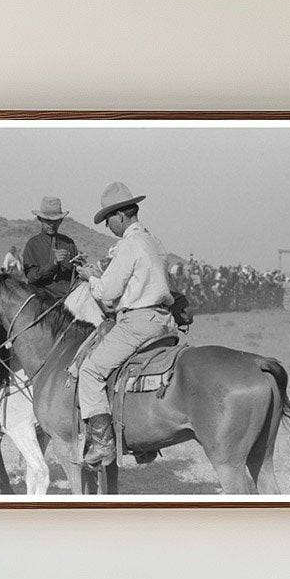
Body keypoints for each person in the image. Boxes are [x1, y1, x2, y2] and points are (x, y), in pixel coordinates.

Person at [75, 182, 178, 466]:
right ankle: (144, 439)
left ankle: (103, 443)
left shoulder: (129, 245)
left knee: (91, 371)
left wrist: (88, 277)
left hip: (137, 322)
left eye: (108, 219)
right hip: (163, 322)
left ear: (120, 215)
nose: (107, 226)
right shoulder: (153, 241)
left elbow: (108, 293)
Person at [22, 196, 79, 298]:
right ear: (40, 219)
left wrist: (82, 265)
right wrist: (53, 263)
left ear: (60, 221)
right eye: (48, 221)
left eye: (55, 221)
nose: (52, 225)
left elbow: (76, 275)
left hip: (68, 298)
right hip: (42, 300)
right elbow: (31, 277)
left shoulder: (69, 243)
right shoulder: (33, 244)